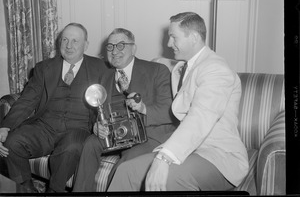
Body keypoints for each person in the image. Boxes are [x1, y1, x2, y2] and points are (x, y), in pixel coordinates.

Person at [107, 12, 249, 192]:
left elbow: (201, 117)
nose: (168, 44)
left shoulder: (216, 69)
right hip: (191, 151)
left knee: (168, 179)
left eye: (174, 37)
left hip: (218, 156)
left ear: (195, 37)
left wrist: (164, 158)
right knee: (125, 171)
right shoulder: (182, 67)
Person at [0, 23, 108, 193]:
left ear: (85, 45)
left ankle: (54, 191)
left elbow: (107, 102)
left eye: (75, 41)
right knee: (12, 142)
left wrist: (100, 124)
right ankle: (25, 188)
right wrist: (6, 126)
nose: (69, 46)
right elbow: (27, 100)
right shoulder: (44, 68)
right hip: (44, 127)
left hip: (78, 128)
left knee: (71, 148)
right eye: (65, 39)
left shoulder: (100, 68)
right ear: (59, 42)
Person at [72, 28, 177, 192]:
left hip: (149, 136)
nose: (114, 51)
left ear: (133, 48)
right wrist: (96, 126)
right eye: (110, 47)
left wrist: (143, 108)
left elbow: (169, 112)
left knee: (126, 163)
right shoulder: (104, 76)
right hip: (117, 134)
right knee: (90, 143)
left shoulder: (157, 70)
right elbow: (96, 113)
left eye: (121, 45)